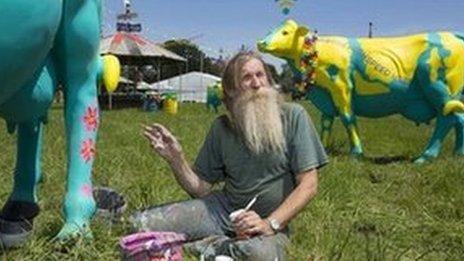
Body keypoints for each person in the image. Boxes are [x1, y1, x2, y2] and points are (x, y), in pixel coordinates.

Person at [131, 51, 328, 260]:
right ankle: (206, 243)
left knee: (258, 254)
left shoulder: (294, 116)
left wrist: (270, 224)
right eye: (247, 77)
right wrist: (176, 159)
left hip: (271, 222)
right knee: (142, 223)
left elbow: (309, 185)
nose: (256, 83)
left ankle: (204, 246)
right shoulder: (222, 127)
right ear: (232, 90)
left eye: (260, 75)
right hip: (222, 211)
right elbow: (201, 189)